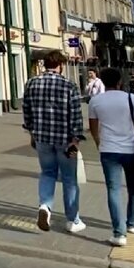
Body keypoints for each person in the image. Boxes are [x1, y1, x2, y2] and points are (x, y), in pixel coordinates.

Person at [88, 67, 134, 247]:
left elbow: (93, 128)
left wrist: (99, 143)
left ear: (103, 81)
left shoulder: (95, 101)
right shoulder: (132, 98)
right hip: (132, 150)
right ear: (120, 81)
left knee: (113, 190)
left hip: (108, 150)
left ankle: (119, 234)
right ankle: (132, 223)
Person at [21, 50, 85, 234]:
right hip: (65, 140)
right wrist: (76, 138)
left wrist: (32, 133)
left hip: (42, 138)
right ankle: (73, 220)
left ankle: (45, 206)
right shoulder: (69, 85)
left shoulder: (31, 83)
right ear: (60, 65)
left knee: (47, 173)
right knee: (69, 178)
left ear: (45, 64)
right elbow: (76, 114)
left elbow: (27, 111)